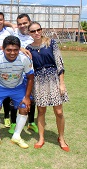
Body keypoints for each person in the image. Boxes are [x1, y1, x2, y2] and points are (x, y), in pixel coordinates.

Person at [26, 22, 69, 152]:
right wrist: (23, 50)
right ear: (29, 33)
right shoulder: (29, 48)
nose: (36, 33)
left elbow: (59, 63)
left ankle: (61, 138)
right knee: (41, 111)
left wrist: (62, 83)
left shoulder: (51, 43)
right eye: (33, 31)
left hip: (54, 78)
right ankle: (41, 138)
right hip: (39, 81)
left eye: (38, 30)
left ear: (42, 30)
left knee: (59, 111)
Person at [0, 35, 34, 149]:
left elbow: (31, 77)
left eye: (15, 50)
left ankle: (16, 136)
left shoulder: (24, 58)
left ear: (19, 49)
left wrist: (27, 97)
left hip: (18, 86)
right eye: (9, 50)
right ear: (3, 48)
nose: (12, 53)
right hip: (0, 86)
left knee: (24, 107)